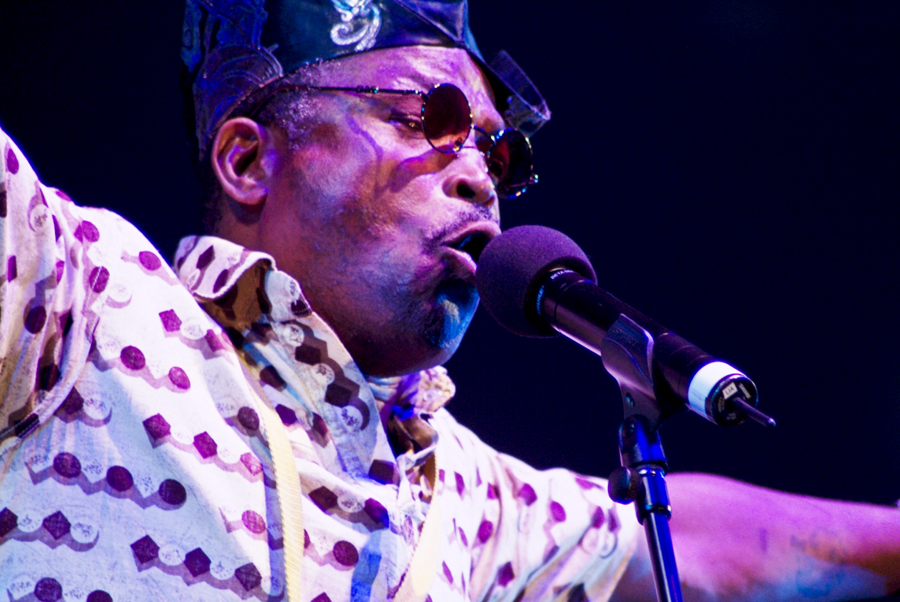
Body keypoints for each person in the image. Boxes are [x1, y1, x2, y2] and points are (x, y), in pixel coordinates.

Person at [0, 1, 898, 601]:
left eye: (499, 154)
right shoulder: (79, 296)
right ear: (247, 160)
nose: (479, 175)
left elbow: (708, 545)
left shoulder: (458, 492)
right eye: (427, 119)